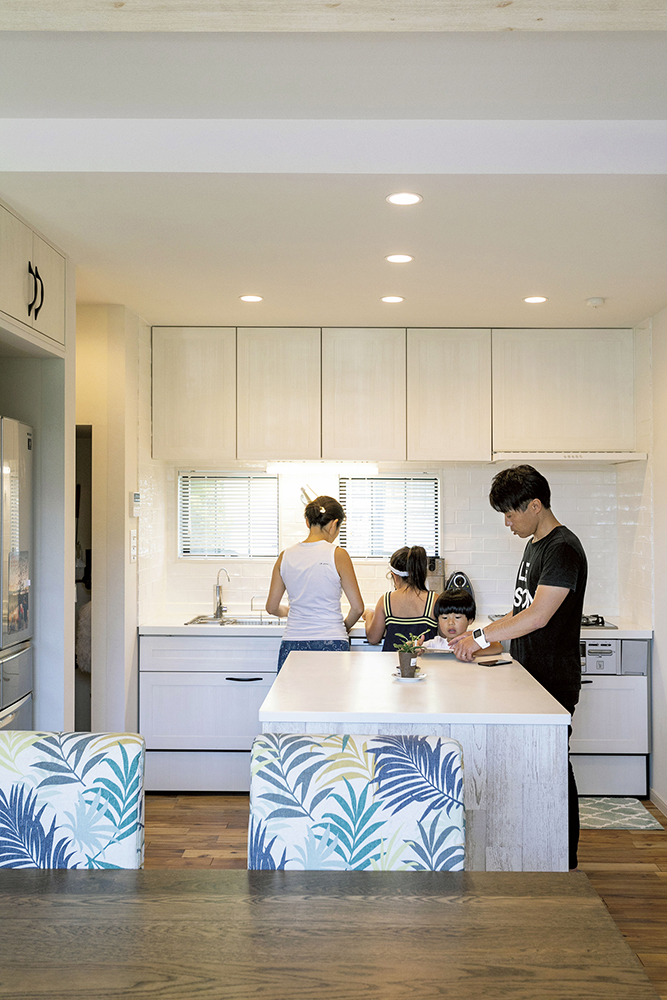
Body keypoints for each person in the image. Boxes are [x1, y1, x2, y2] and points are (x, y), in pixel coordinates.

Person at [448, 464, 587, 871]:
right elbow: (521, 609)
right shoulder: (535, 546)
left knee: (553, 765)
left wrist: (479, 638)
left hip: (552, 677)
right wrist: (481, 635)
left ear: (535, 505)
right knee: (537, 765)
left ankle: (565, 860)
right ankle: (538, 848)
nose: (507, 523)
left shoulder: (562, 548)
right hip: (530, 674)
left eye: (510, 514)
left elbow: (539, 616)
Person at [266, 495, 364, 672]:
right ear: (334, 524)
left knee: (292, 691)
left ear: (307, 522)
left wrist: (289, 611)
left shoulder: (285, 556)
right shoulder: (338, 555)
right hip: (332, 640)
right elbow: (357, 608)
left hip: (293, 642)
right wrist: (342, 627)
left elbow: (272, 608)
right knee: (332, 691)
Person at [363, 545, 438, 651]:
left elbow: (373, 638)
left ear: (395, 576)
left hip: (393, 661)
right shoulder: (434, 600)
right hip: (425, 661)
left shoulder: (386, 600)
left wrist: (369, 614)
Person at [418, 588, 503, 656]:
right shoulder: (435, 644)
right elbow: (416, 648)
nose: (451, 622)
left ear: (470, 620)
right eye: (444, 618)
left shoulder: (474, 642)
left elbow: (498, 647)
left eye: (457, 617)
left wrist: (471, 650)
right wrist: (415, 646)